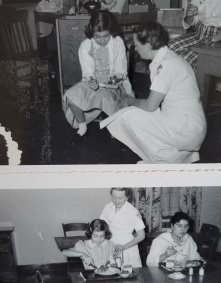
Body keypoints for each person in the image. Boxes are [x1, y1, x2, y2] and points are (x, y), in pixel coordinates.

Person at [100, 20, 207, 164]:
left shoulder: (166, 64)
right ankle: (170, 157)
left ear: (149, 44)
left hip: (186, 128)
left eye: (137, 45)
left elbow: (150, 106)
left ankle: (164, 160)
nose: (136, 49)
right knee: (139, 113)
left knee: (128, 117)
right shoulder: (170, 58)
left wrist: (129, 100)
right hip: (190, 124)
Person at [63, 10, 134, 136]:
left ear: (111, 31)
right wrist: (91, 81)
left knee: (110, 103)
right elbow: (87, 72)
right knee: (71, 97)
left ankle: (116, 126)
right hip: (94, 82)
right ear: (91, 31)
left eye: (106, 36)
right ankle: (82, 125)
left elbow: (121, 71)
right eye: (97, 37)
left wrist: (111, 81)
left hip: (114, 83)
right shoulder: (86, 45)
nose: (102, 41)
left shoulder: (118, 42)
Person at [168, 0, 221, 71]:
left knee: (186, 58)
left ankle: (196, 78)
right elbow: (189, 22)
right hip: (198, 33)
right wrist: (189, 15)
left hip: (217, 39)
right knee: (169, 47)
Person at [100, 187, 145, 267]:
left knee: (130, 274)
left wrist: (124, 247)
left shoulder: (132, 211)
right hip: (110, 245)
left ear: (127, 197)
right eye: (114, 197)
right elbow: (101, 227)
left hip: (128, 246)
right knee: (111, 273)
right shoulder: (107, 207)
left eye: (120, 198)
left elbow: (141, 235)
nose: (116, 201)